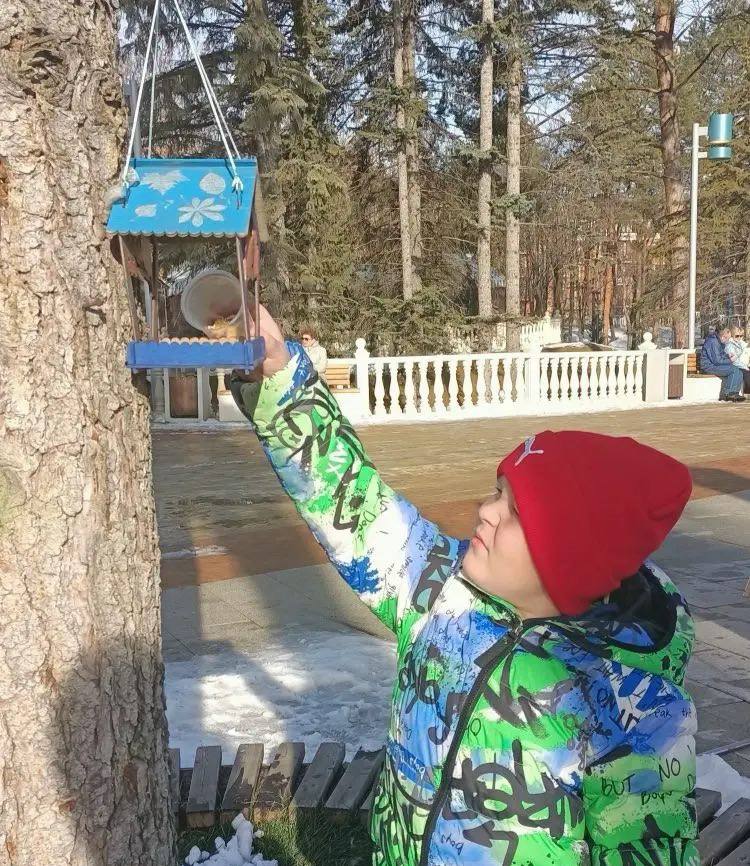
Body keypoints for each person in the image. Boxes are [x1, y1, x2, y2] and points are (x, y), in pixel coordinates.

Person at [230, 306, 698, 866]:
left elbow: (647, 850)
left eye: (515, 512)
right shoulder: (438, 590)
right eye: (496, 492)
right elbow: (350, 501)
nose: (485, 511)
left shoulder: (634, 708)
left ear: (572, 559)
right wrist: (281, 375)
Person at [700, 326, 745, 401]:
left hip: (713, 365)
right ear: (724, 336)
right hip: (708, 366)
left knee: (739, 370)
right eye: (728, 338)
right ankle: (728, 393)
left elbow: (720, 355)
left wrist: (728, 356)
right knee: (733, 370)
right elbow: (717, 361)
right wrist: (730, 360)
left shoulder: (718, 341)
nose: (728, 340)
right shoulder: (713, 342)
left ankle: (735, 392)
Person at [724, 326, 750, 394]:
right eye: (737, 336)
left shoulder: (742, 344)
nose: (739, 338)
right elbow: (734, 360)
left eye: (741, 336)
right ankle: (747, 392)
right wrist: (745, 367)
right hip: (735, 366)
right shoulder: (730, 346)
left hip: (743, 365)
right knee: (747, 374)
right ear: (732, 335)